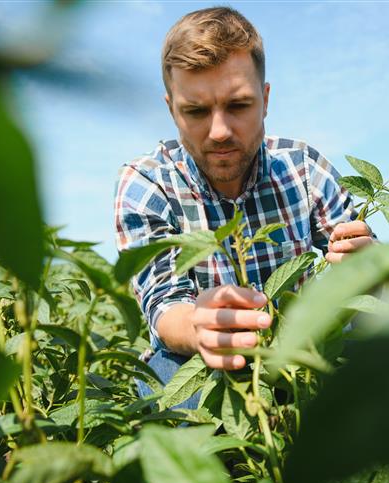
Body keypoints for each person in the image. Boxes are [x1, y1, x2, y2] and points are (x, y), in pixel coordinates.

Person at [114, 7, 374, 407]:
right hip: (198, 359)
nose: (219, 131)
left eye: (238, 105)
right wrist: (199, 326)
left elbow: (361, 263)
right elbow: (163, 304)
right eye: (196, 111)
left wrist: (367, 263)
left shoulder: (303, 167)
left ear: (265, 100)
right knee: (170, 406)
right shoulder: (147, 183)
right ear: (172, 110)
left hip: (299, 350)